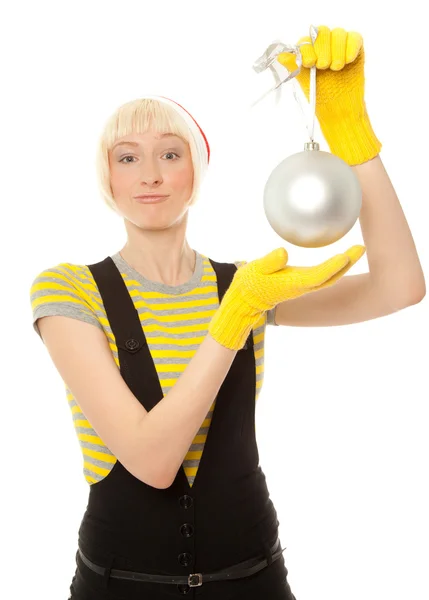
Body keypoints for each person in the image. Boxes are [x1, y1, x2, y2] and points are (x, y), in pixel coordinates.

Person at [29, 27, 425, 600]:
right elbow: (152, 459)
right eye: (127, 157)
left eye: (171, 152)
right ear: (107, 180)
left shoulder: (243, 285)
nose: (151, 174)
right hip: (120, 585)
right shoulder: (69, 290)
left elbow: (400, 285)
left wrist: (353, 139)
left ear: (197, 171)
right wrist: (235, 316)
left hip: (255, 580)